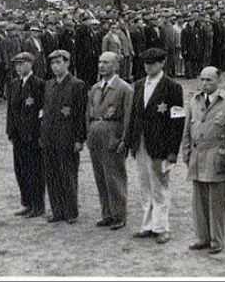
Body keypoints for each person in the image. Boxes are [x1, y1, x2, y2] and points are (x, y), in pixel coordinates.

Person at [124, 47, 184, 244]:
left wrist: (173, 150)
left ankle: (161, 227)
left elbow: (177, 120)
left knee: (160, 185)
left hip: (160, 144)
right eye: (146, 63)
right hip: (141, 142)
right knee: (144, 185)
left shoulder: (173, 88)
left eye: (153, 63)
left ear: (162, 63)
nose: (149, 67)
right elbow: (133, 115)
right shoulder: (139, 85)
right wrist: (130, 141)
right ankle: (147, 224)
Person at [182, 66, 225, 254]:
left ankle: (217, 239)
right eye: (202, 80)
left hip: (218, 157)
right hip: (198, 157)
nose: (205, 84)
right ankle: (202, 237)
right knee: (199, 200)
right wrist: (186, 151)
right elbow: (187, 130)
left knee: (217, 201)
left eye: (209, 80)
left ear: (218, 81)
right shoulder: (194, 101)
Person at [86, 51, 134, 231]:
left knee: (114, 176)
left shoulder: (124, 89)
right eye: (99, 62)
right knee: (100, 176)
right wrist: (88, 135)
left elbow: (128, 117)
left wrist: (124, 140)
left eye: (106, 63)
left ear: (115, 66)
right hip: (96, 136)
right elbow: (88, 114)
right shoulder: (96, 88)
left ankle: (119, 215)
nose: (101, 66)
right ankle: (106, 213)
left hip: (113, 135)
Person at [40, 50, 87, 224]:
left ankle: (70, 211)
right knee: (52, 175)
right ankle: (57, 210)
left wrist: (79, 139)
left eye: (59, 63)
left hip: (67, 137)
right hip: (50, 137)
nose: (55, 67)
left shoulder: (77, 85)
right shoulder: (49, 85)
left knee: (67, 174)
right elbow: (46, 112)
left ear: (67, 63)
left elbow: (80, 114)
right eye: (52, 64)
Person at [6, 52, 45, 218]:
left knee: (34, 170)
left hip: (32, 134)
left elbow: (43, 110)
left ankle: (37, 205)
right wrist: (10, 130)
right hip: (18, 134)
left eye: (22, 64)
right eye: (16, 64)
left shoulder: (38, 84)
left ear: (31, 64)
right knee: (20, 169)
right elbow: (10, 110)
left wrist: (38, 131)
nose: (19, 67)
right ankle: (26, 202)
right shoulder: (14, 84)